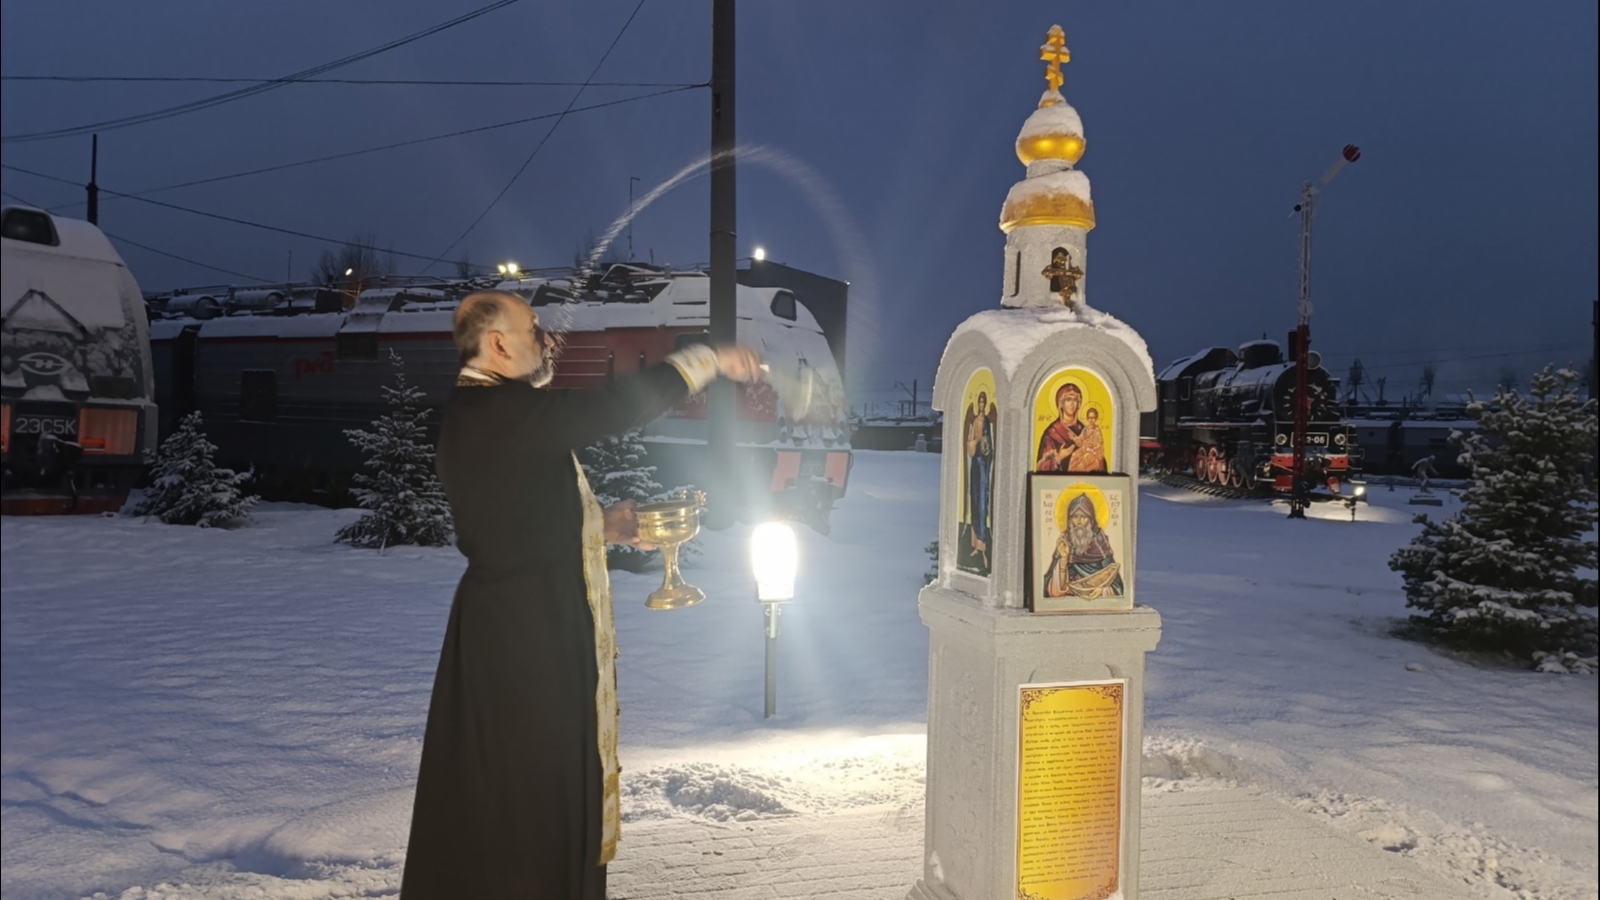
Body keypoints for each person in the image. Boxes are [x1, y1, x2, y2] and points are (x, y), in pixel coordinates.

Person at [400, 290, 762, 899]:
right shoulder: (501, 410)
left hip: (513, 624)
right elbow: (614, 407)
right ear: (498, 344)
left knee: (509, 795)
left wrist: (603, 525)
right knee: (533, 797)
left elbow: (514, 522)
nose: (545, 340)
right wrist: (705, 360)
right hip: (527, 641)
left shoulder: (482, 411)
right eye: (532, 329)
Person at [1042, 492, 1124, 600]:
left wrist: (1103, 590)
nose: (1079, 521)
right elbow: (1050, 591)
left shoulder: (1100, 542)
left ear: (1091, 520)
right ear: (1070, 520)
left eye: (1084, 516)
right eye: (1075, 517)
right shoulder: (1065, 542)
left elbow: (1117, 586)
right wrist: (1063, 559)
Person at [1035, 383, 1107, 473]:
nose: (1072, 404)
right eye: (1068, 400)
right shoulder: (1052, 433)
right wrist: (1059, 457)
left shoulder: (1086, 429)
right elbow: (1042, 469)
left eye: (1075, 400)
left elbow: (1101, 462)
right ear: (1061, 403)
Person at [963, 391, 996, 572]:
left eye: (984, 402)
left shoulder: (988, 422)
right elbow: (970, 442)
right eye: (980, 402)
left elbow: (990, 443)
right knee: (974, 499)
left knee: (982, 500)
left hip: (984, 463)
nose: (982, 405)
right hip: (975, 463)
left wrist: (983, 442)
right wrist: (973, 442)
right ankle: (976, 544)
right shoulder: (975, 420)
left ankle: (983, 544)